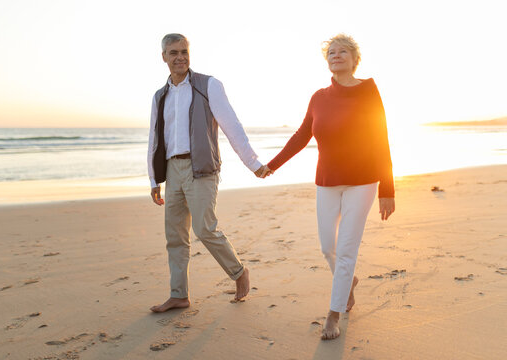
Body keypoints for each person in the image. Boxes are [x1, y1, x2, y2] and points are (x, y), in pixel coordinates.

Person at [261, 34, 395, 339]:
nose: (336, 55)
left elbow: (381, 138)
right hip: (327, 181)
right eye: (332, 52)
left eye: (343, 51)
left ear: (354, 59)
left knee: (346, 250)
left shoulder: (369, 91)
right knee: (327, 247)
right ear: (327, 61)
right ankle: (348, 281)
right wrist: (272, 165)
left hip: (363, 181)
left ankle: (333, 316)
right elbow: (300, 136)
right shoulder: (318, 97)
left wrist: (388, 190)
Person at [147, 33, 271, 313]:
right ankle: (179, 294)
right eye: (173, 52)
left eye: (184, 51)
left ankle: (238, 272)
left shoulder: (208, 85)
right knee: (175, 235)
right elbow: (154, 138)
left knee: (204, 228)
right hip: (172, 168)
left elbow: (231, 125)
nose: (180, 57)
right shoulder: (160, 96)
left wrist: (253, 164)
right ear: (163, 57)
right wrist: (154, 178)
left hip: (201, 167)